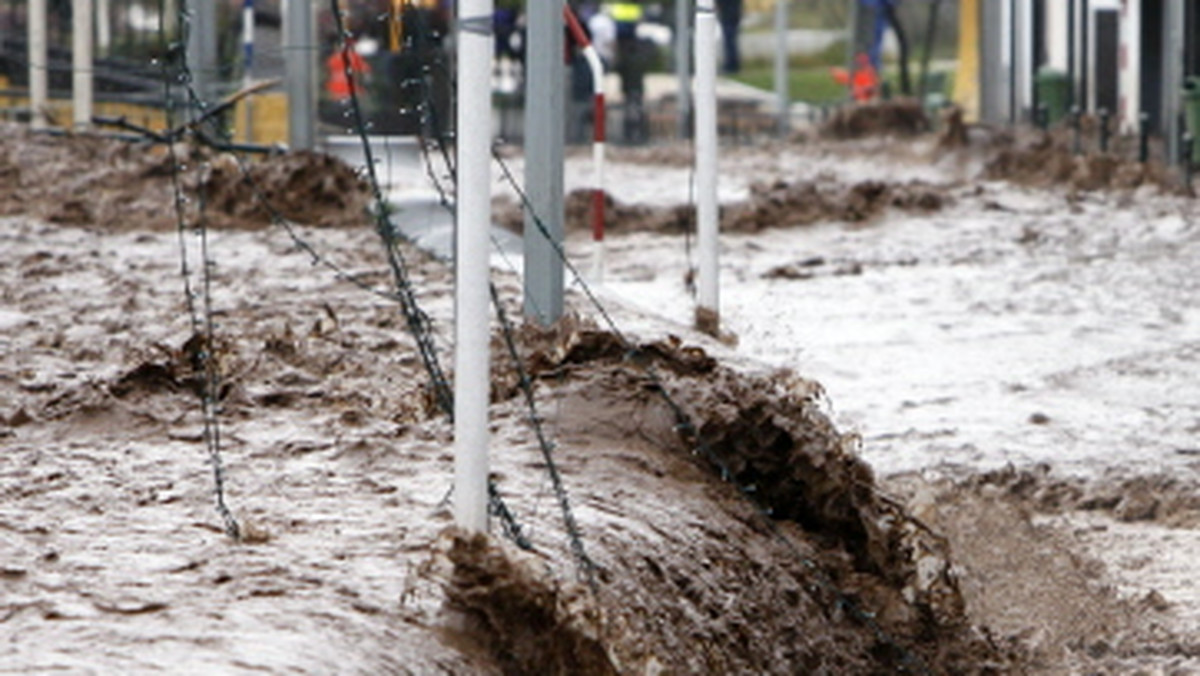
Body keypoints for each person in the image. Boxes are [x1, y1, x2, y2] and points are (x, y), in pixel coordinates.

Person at [716, 0, 743, 74]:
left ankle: (731, 65)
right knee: (730, 40)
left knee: (729, 40)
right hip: (731, 14)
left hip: (728, 15)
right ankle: (732, 64)